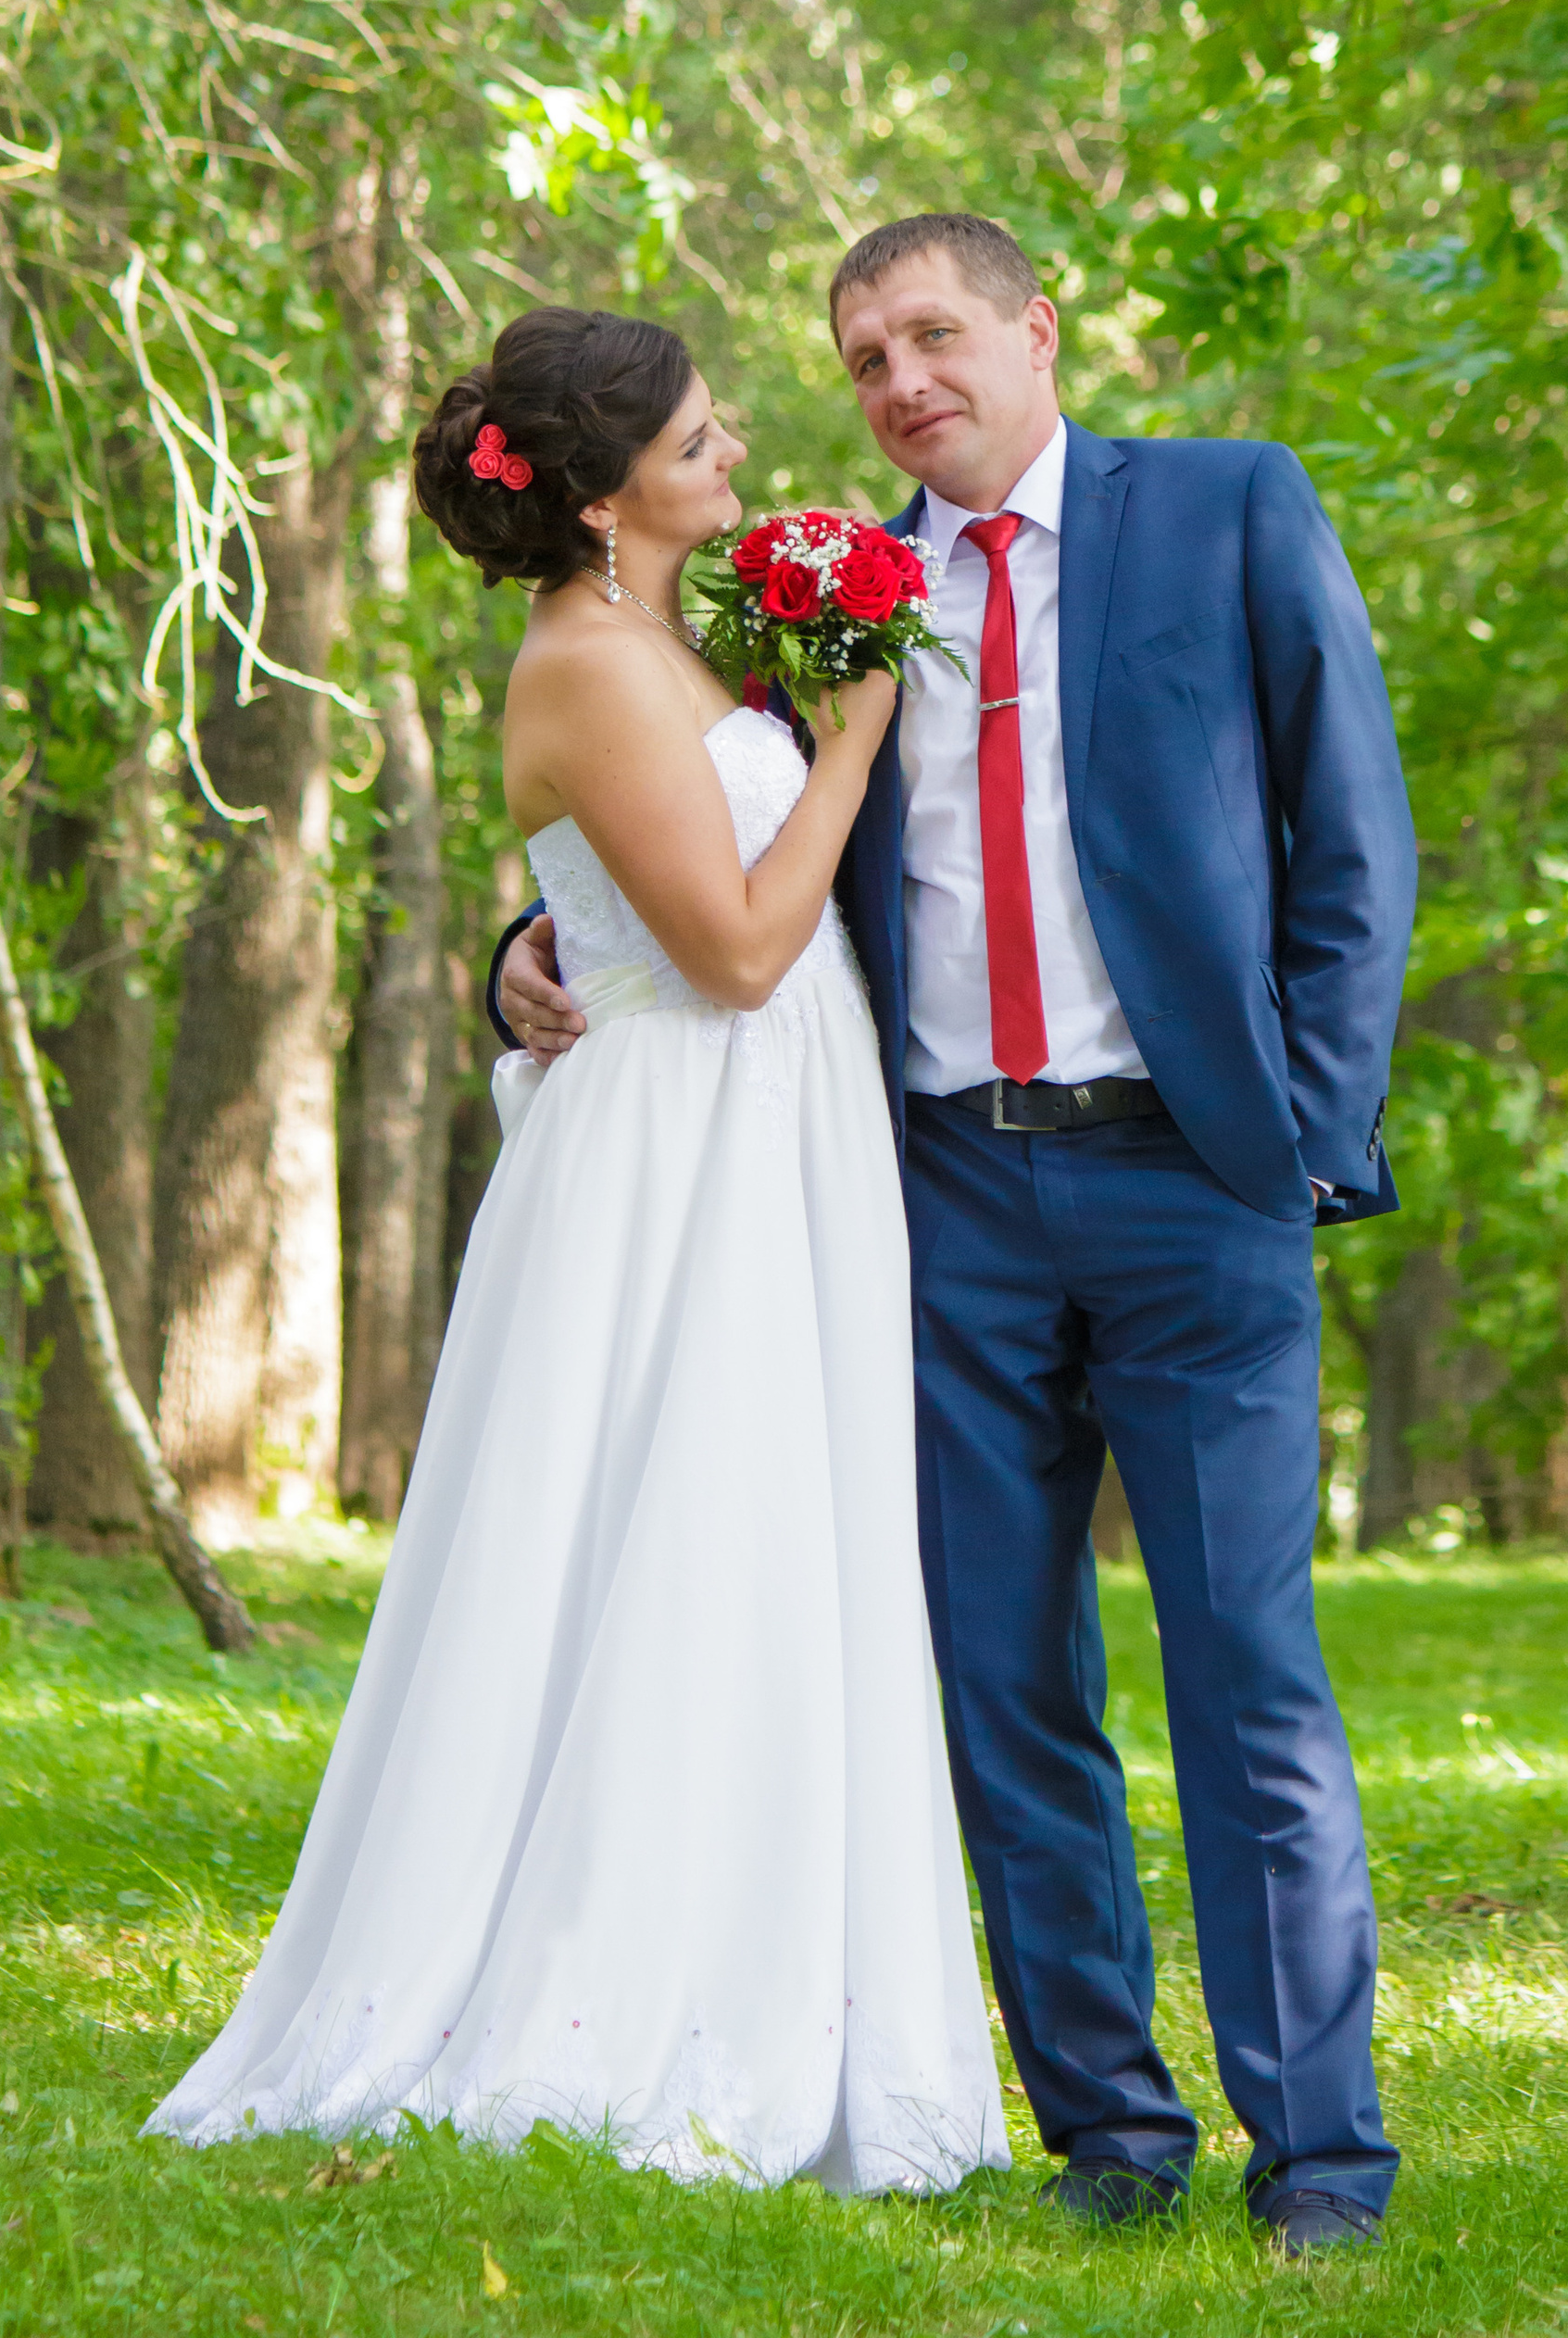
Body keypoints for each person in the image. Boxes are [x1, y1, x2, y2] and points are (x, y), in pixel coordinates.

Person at [496, 217, 1418, 2257]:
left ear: (1031, 328)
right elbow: (682, 826)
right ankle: (1107, 2128)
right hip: (938, 1201)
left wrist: (1310, 1134)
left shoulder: (1222, 509)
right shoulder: (814, 595)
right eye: (862, 357)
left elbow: (1348, 821)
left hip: (1194, 1183)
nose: (902, 379)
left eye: (932, 335)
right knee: (1003, 1683)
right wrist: (523, 954)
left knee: (1244, 1670)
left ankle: (1322, 2162)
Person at [148, 306, 1006, 2198]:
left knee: (761, 1525)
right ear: (607, 486)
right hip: (682, 1147)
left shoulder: (660, 639)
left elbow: (622, 889)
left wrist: (532, 945)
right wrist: (852, 743)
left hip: (764, 1128)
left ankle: (774, 1955)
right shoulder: (591, 665)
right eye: (697, 439)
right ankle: (627, 1988)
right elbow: (731, 949)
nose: (734, 451)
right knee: (674, 1524)